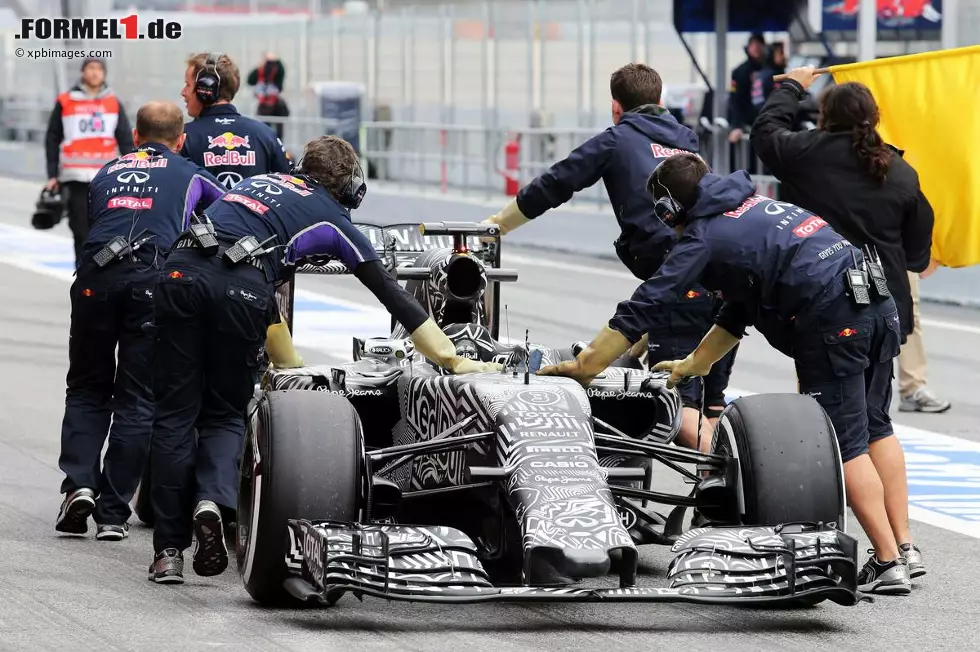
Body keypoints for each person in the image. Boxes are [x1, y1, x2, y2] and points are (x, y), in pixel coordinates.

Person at [539, 153, 921, 595]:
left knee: (846, 442)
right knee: (877, 428)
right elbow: (740, 307)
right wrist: (694, 365)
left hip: (835, 321)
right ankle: (906, 547)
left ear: (667, 210)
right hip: (875, 300)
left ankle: (889, 562)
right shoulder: (754, 207)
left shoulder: (704, 235)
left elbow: (648, 302)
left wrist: (588, 365)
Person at [146, 134, 502, 584]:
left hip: (178, 274)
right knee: (222, 415)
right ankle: (210, 502)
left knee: (175, 416)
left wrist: (286, 358)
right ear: (351, 187)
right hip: (240, 292)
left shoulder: (254, 184)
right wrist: (450, 358)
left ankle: (168, 552)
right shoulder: (331, 219)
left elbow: (231, 257)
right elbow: (392, 294)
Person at [483, 62, 735, 454]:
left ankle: (743, 484)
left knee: (681, 405)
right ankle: (722, 499)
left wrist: (496, 225)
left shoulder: (616, 140)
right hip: (723, 281)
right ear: (660, 100)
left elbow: (555, 184)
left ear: (616, 107)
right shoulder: (690, 146)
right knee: (711, 407)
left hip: (680, 280)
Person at [55, 101, 225, 541]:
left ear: (135, 135)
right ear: (181, 139)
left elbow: (98, 221)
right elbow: (227, 214)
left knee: (87, 386)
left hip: (95, 279)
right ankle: (112, 513)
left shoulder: (106, 171)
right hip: (151, 283)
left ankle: (80, 486)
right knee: (137, 397)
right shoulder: (191, 173)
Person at [749, 66, 948, 413]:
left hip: (821, 298)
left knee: (823, 423)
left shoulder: (804, 154)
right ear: (875, 118)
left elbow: (765, 131)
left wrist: (794, 86)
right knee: (875, 423)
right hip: (882, 302)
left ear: (824, 115)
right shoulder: (899, 170)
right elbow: (917, 253)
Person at [44, 57, 134, 266]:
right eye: (90, 68)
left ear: (104, 74)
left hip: (106, 178)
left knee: (106, 230)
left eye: (99, 69)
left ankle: (101, 279)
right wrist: (52, 175)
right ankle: (83, 279)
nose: (94, 73)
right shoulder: (66, 101)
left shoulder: (113, 102)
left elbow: (125, 140)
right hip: (75, 177)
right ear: (83, 72)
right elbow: (52, 138)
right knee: (80, 230)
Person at [180, 51, 291, 191]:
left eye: (187, 85)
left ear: (205, 89)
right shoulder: (266, 135)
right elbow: (290, 185)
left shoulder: (182, 137)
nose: (183, 92)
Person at [726, 34, 768, 151]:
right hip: (747, 123)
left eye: (759, 45)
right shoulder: (740, 72)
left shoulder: (769, 70)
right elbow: (735, 100)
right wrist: (737, 125)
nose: (756, 49)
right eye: (753, 45)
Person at [246, 51, 289, 141]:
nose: (269, 65)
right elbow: (249, 80)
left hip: (275, 105)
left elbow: (281, 71)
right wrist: (259, 67)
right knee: (264, 129)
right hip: (263, 106)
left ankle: (279, 145)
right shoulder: (259, 72)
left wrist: (277, 60)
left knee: (279, 131)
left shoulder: (277, 73)